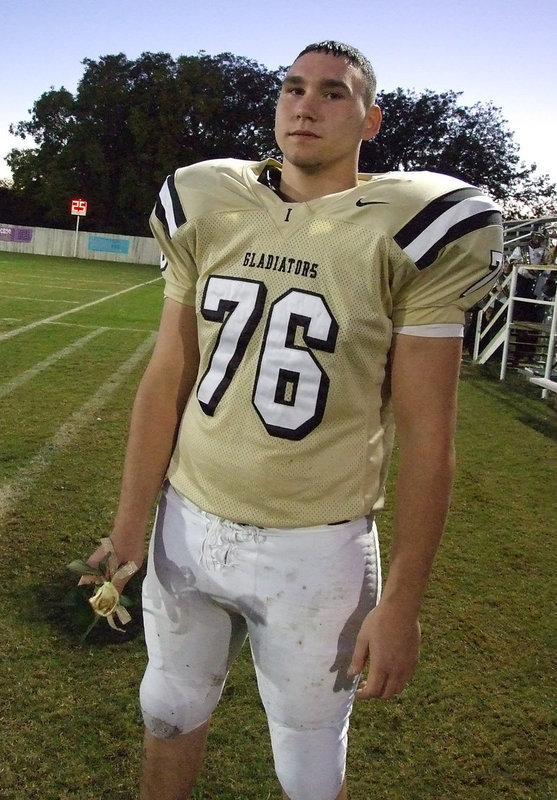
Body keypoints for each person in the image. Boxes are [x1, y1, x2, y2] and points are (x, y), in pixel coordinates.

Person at [82, 41, 503, 800]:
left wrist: (403, 602)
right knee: (168, 708)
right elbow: (168, 376)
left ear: (370, 120)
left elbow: (428, 438)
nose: (306, 105)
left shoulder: (409, 225)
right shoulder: (208, 199)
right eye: (293, 88)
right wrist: (127, 524)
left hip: (315, 549)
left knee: (308, 771)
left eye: (333, 93)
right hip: (186, 522)